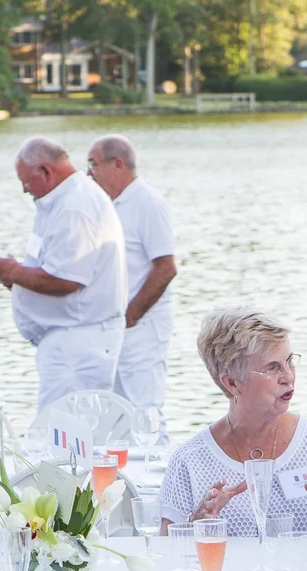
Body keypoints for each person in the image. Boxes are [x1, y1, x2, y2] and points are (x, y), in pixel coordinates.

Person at [158, 309, 307, 542]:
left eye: (289, 361)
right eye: (271, 368)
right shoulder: (190, 461)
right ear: (232, 383)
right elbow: (165, 554)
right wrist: (196, 525)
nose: (288, 376)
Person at [0, 137, 127, 411]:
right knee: (61, 427)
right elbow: (55, 268)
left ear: (45, 171)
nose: (24, 189)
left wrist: (13, 271)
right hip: (69, 340)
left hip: (78, 342)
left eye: (26, 181)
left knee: (65, 428)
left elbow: (67, 280)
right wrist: (16, 277)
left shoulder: (75, 206)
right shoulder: (63, 201)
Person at [86, 134, 178, 414]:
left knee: (144, 409)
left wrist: (131, 316)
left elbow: (166, 268)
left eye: (93, 164)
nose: (88, 172)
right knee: (115, 411)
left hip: (142, 326)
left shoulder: (148, 202)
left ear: (117, 164)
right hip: (112, 329)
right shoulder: (106, 205)